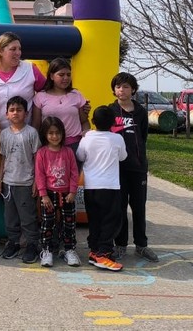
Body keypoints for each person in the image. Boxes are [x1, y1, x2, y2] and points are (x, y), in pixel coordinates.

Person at [108, 72, 159, 263]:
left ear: (133, 89)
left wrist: (139, 159)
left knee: (138, 207)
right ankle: (120, 244)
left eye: (126, 86)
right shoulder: (110, 110)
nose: (122, 90)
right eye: (118, 86)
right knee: (119, 207)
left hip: (137, 168)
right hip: (117, 168)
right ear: (114, 89)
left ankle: (141, 245)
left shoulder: (140, 112)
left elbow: (143, 137)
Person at [76, 105, 127, 271]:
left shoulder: (86, 138)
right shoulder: (117, 139)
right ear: (113, 122)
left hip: (91, 187)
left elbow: (80, 156)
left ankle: (94, 250)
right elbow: (123, 157)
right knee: (111, 221)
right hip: (110, 186)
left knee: (95, 220)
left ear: (92, 121)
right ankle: (103, 254)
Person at [0, 95, 41, 264]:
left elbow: (37, 158)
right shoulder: (4, 134)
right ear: (6, 114)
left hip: (26, 182)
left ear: (26, 113)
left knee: (27, 216)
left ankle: (32, 244)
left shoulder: (31, 133)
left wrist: (37, 181)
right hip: (8, 182)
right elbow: (3, 159)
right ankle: (13, 242)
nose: (15, 113)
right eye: (12, 110)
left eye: (19, 110)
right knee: (10, 216)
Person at [35, 116, 80, 268]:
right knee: (48, 224)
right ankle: (47, 251)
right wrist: (43, 195)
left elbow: (74, 172)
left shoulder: (68, 152)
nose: (55, 136)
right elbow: (39, 174)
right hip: (49, 194)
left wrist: (73, 191)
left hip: (67, 194)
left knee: (69, 224)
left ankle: (69, 250)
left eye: (58, 133)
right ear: (45, 135)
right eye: (51, 133)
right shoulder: (42, 153)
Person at [0, 32, 46, 130]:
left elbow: (46, 93)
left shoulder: (30, 69)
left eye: (19, 49)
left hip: (25, 135)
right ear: (0, 51)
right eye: (13, 49)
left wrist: (36, 125)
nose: (18, 53)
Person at [32, 57, 91, 162]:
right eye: (61, 75)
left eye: (68, 75)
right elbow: (36, 125)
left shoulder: (76, 95)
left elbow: (84, 122)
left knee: (74, 178)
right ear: (51, 76)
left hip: (74, 147)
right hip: (49, 146)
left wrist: (86, 137)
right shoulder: (40, 97)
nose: (66, 78)